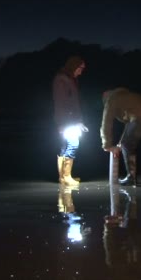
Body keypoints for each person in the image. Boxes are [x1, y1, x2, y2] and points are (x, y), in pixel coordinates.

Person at [52, 56, 88, 187]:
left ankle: (63, 177)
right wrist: (62, 123)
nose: (81, 71)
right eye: (80, 68)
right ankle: (66, 176)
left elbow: (73, 102)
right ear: (74, 66)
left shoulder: (69, 79)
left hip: (69, 119)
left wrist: (79, 121)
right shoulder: (63, 79)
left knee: (65, 146)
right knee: (74, 144)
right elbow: (61, 102)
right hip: (67, 120)